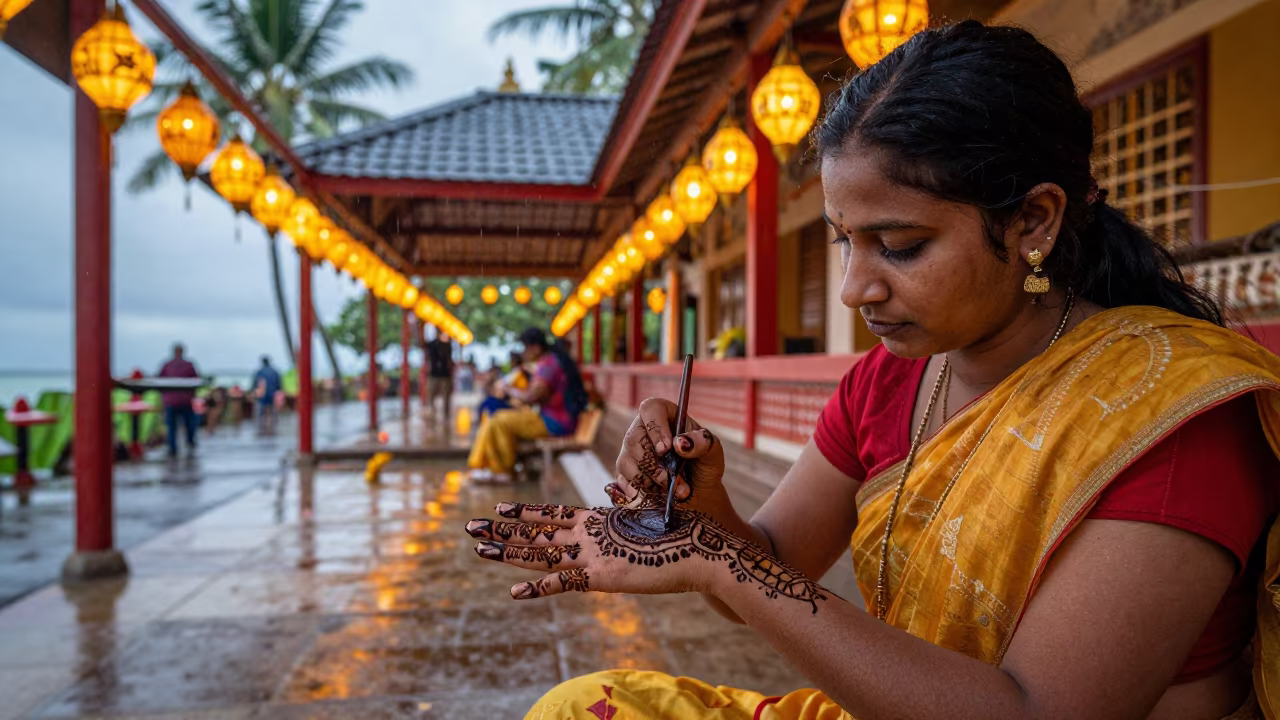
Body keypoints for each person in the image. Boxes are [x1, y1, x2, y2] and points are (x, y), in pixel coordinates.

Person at [464, 22, 1280, 720]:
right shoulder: (891, 380)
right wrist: (698, 511)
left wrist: (726, 561)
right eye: (841, 241)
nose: (856, 288)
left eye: (901, 245)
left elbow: (1034, 710)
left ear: (1034, 220)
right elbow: (757, 573)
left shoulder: (1170, 417)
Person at [467, 327, 587, 482]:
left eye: (525, 348)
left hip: (555, 422)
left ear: (536, 348)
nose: (523, 352)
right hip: (553, 419)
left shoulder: (549, 365)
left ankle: (503, 470)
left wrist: (509, 390)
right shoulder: (550, 361)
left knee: (500, 420)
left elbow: (532, 396)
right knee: (497, 417)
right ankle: (493, 467)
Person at [158, 343, 200, 457]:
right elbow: (196, 381)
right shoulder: (189, 365)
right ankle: (189, 442)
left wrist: (163, 398)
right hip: (184, 400)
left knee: (172, 426)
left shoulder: (166, 365)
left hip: (172, 401)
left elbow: (159, 382)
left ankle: (173, 448)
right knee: (188, 424)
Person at [477, 351, 530, 418]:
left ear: (515, 360)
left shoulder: (519, 372)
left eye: (511, 359)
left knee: (489, 404)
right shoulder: (516, 372)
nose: (510, 362)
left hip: (515, 401)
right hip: (511, 399)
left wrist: (506, 389)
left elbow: (519, 390)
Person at [424, 333, 455, 421]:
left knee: (446, 398)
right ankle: (433, 414)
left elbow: (449, 361)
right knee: (431, 397)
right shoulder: (432, 345)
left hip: (444, 375)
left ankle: (445, 415)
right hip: (435, 375)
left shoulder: (447, 346)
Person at [251, 356, 282, 434]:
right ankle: (272, 426)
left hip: (262, 393)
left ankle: (262, 427)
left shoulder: (259, 372)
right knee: (272, 410)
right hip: (272, 392)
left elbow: (255, 383)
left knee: (262, 410)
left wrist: (253, 392)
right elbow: (279, 384)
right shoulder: (275, 371)